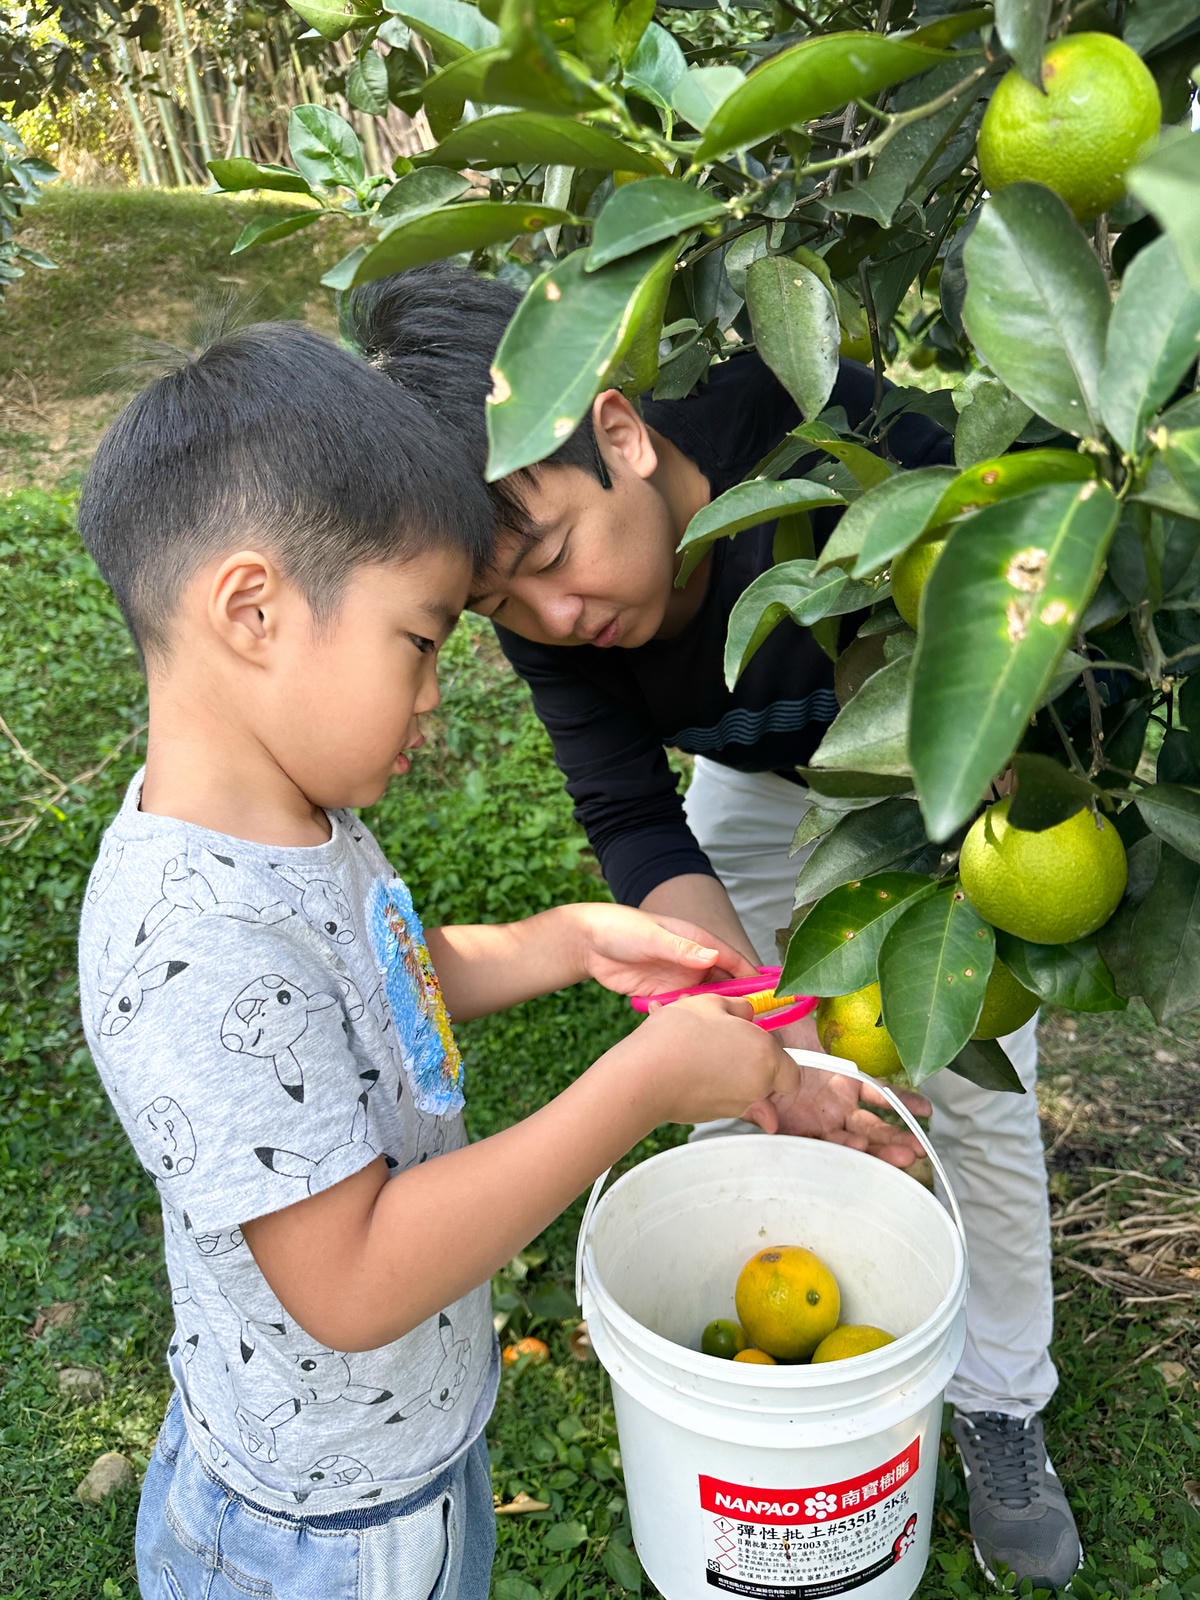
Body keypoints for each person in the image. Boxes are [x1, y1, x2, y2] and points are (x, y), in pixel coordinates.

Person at [75, 321, 928, 1600]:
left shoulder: (287, 825)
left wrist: (564, 940)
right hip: (326, 1534)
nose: (435, 694)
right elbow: (352, 1277)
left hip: (407, 1447)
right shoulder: (196, 939)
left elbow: (373, 981)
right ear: (253, 610)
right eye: (421, 641)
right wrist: (638, 1086)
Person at [343, 262, 1084, 1592]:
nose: (555, 618)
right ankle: (759, 1347)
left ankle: (1000, 1397)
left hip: (941, 770)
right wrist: (758, 1027)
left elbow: (1016, 590)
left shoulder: (813, 430)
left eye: (554, 558)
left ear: (621, 434)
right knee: (731, 1072)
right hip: (753, 776)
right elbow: (634, 815)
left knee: (971, 1080)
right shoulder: (548, 612)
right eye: (503, 607)